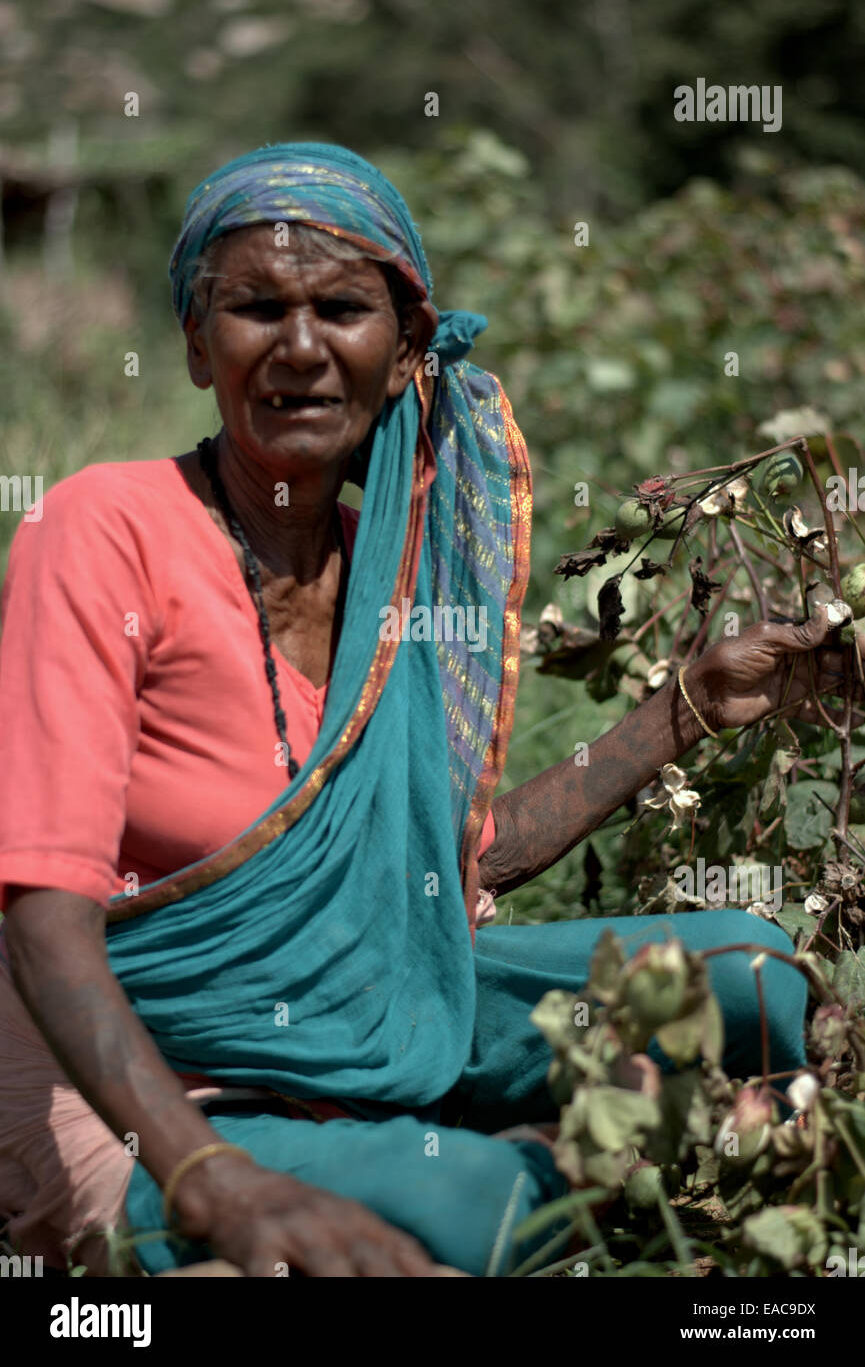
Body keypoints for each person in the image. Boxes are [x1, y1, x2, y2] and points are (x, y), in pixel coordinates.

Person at [0, 142, 847, 1278]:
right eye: (257, 308)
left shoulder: (394, 572)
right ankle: (478, 1164)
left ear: (404, 352)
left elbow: (458, 863)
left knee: (751, 970)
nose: (301, 348)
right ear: (199, 345)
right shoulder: (103, 529)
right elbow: (43, 915)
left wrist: (685, 709)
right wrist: (213, 1177)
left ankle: (451, 1150)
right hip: (160, 1084)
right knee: (474, 1202)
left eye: (341, 310)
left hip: (376, 1019)